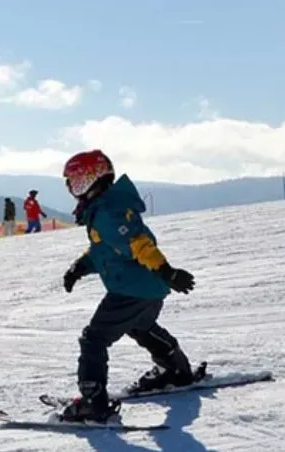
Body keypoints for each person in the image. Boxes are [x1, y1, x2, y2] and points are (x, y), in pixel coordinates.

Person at [59, 149, 197, 423]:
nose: (71, 188)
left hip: (131, 289)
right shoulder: (106, 208)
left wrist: (166, 271)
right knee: (140, 326)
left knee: (94, 339)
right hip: (148, 288)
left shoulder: (109, 212)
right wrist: (80, 267)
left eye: (73, 181)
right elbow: (105, 250)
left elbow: (139, 245)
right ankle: (176, 370)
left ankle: (92, 401)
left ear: (89, 179)